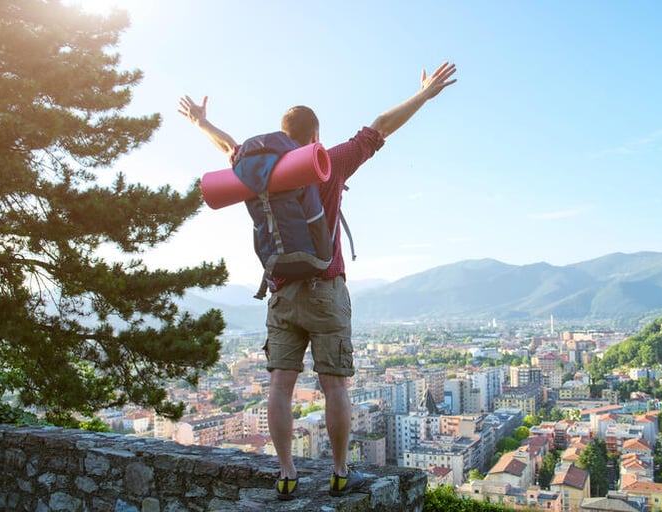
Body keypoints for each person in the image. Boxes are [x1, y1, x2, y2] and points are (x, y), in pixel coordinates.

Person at [178, 61, 457, 500]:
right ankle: (341, 472)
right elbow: (379, 127)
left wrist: (200, 121)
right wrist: (423, 95)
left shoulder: (256, 168)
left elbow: (228, 147)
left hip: (280, 291)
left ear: (281, 133)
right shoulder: (326, 163)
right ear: (314, 136)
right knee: (335, 385)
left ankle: (286, 473)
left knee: (280, 386)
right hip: (325, 288)